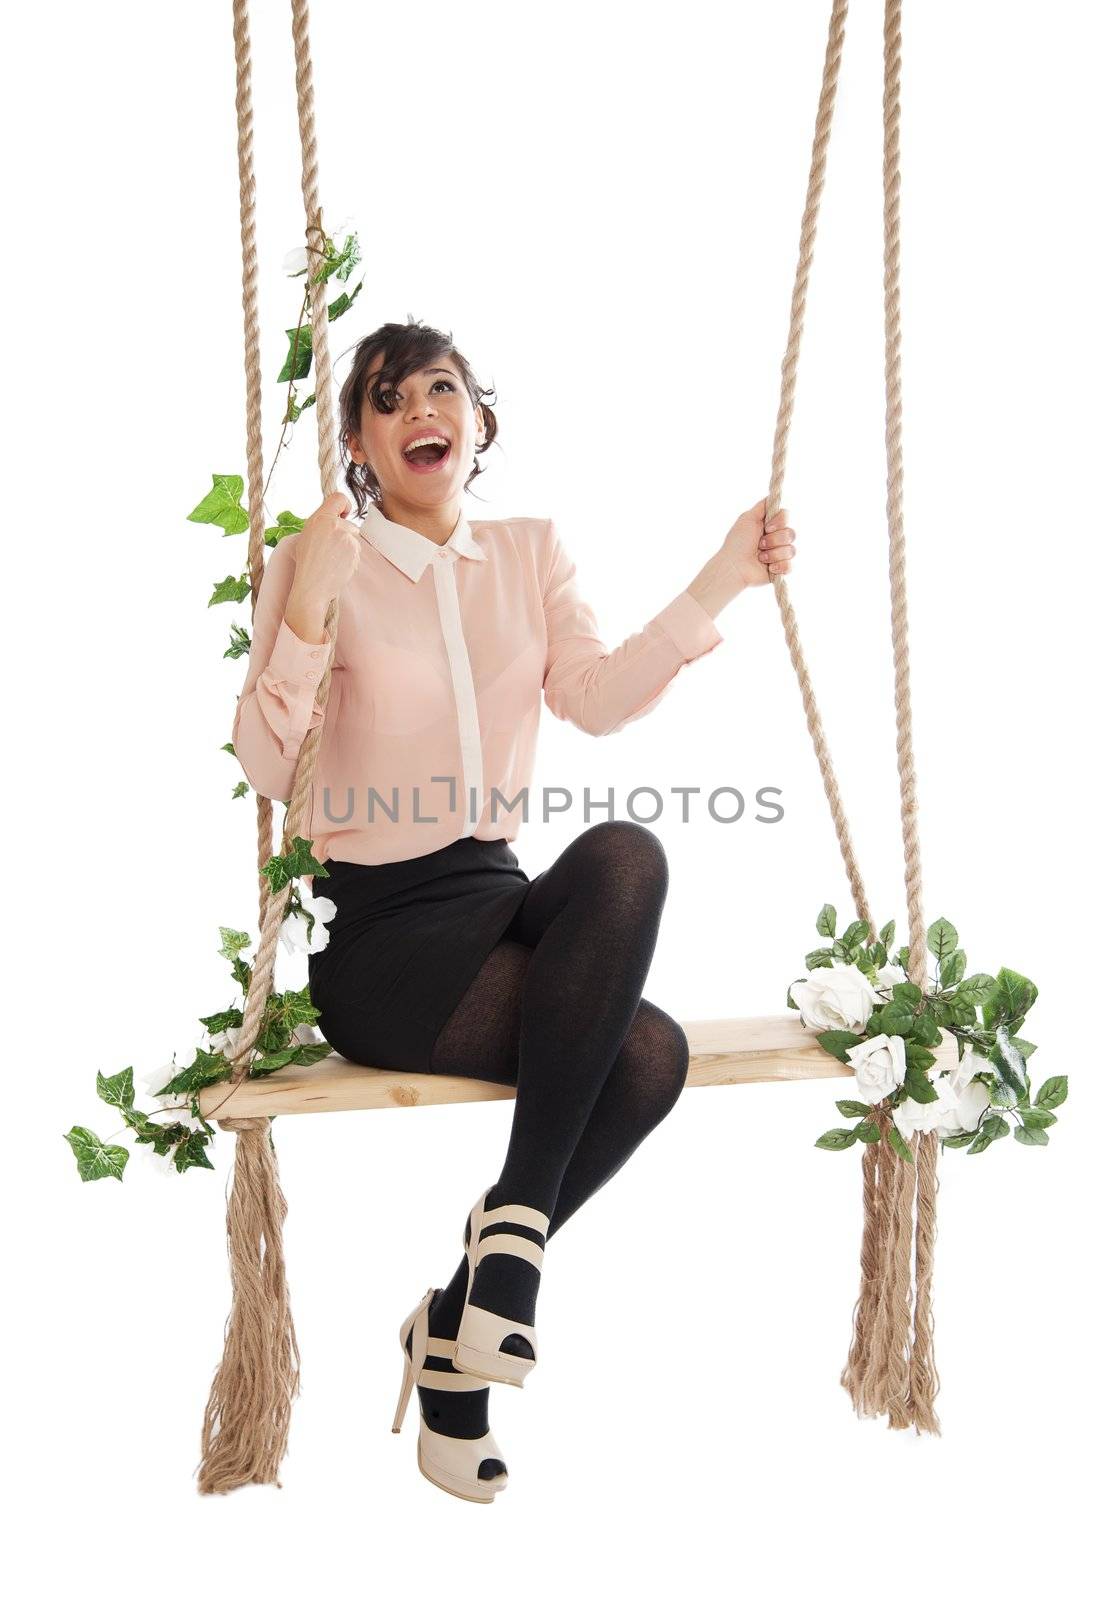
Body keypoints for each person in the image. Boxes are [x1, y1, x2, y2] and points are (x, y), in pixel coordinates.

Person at [231, 317, 797, 1503]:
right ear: (358, 445)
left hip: (490, 893)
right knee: (644, 1052)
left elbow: (593, 699)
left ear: (475, 423)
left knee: (625, 861)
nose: (417, 409)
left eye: (440, 389)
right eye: (386, 400)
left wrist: (722, 577)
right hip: (381, 936)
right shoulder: (314, 557)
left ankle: (480, 1284)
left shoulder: (530, 553)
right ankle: (472, 1318)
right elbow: (271, 768)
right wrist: (305, 613)